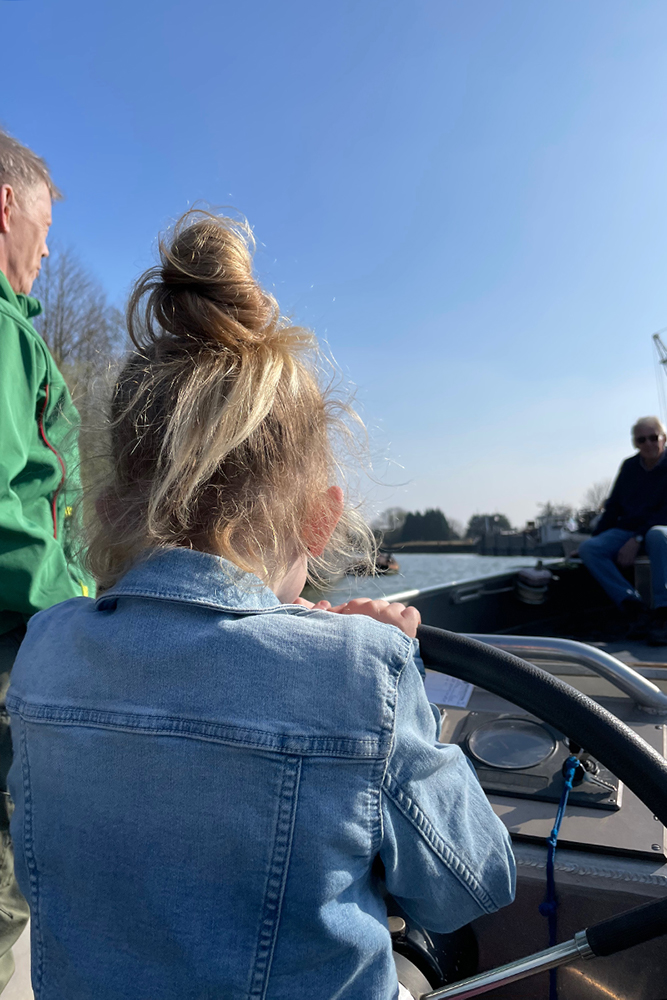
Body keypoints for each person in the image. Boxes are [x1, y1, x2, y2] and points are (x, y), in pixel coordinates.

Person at [6, 211, 515, 1000]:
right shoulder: (363, 671)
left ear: (106, 512)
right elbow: (472, 887)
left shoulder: (45, 651)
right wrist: (398, 675)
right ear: (319, 519)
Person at [0, 129, 95, 991]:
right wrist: (79, 611)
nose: (46, 249)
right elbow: (5, 514)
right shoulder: (4, 333)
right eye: (45, 226)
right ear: (6, 206)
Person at [579, 416, 667, 643]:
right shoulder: (629, 467)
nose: (648, 444)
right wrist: (596, 538)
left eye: (653, 437)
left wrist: (638, 538)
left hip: (660, 530)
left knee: (657, 535)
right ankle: (634, 607)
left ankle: (663, 612)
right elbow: (613, 507)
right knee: (589, 549)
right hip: (629, 530)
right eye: (641, 440)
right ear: (635, 443)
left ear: (664, 438)